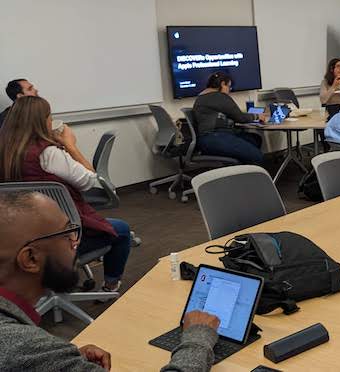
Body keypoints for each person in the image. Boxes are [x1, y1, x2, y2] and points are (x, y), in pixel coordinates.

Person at [0, 190, 221, 371]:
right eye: (66, 233)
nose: (75, 243)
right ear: (30, 258)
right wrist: (198, 339)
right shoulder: (24, 349)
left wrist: (68, 362)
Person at [0, 96, 132, 294]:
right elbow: (91, 181)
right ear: (42, 121)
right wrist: (70, 146)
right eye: (50, 116)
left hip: (20, 239)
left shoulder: (5, 152)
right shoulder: (49, 154)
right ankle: (110, 287)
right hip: (61, 235)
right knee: (121, 230)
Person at [193, 72, 268, 166]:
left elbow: (233, 115)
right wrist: (257, 116)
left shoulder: (201, 97)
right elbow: (240, 117)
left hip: (208, 138)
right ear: (222, 84)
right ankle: (250, 176)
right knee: (257, 157)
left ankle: (241, 170)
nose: (229, 90)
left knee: (254, 139)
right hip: (214, 138)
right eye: (229, 87)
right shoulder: (219, 97)